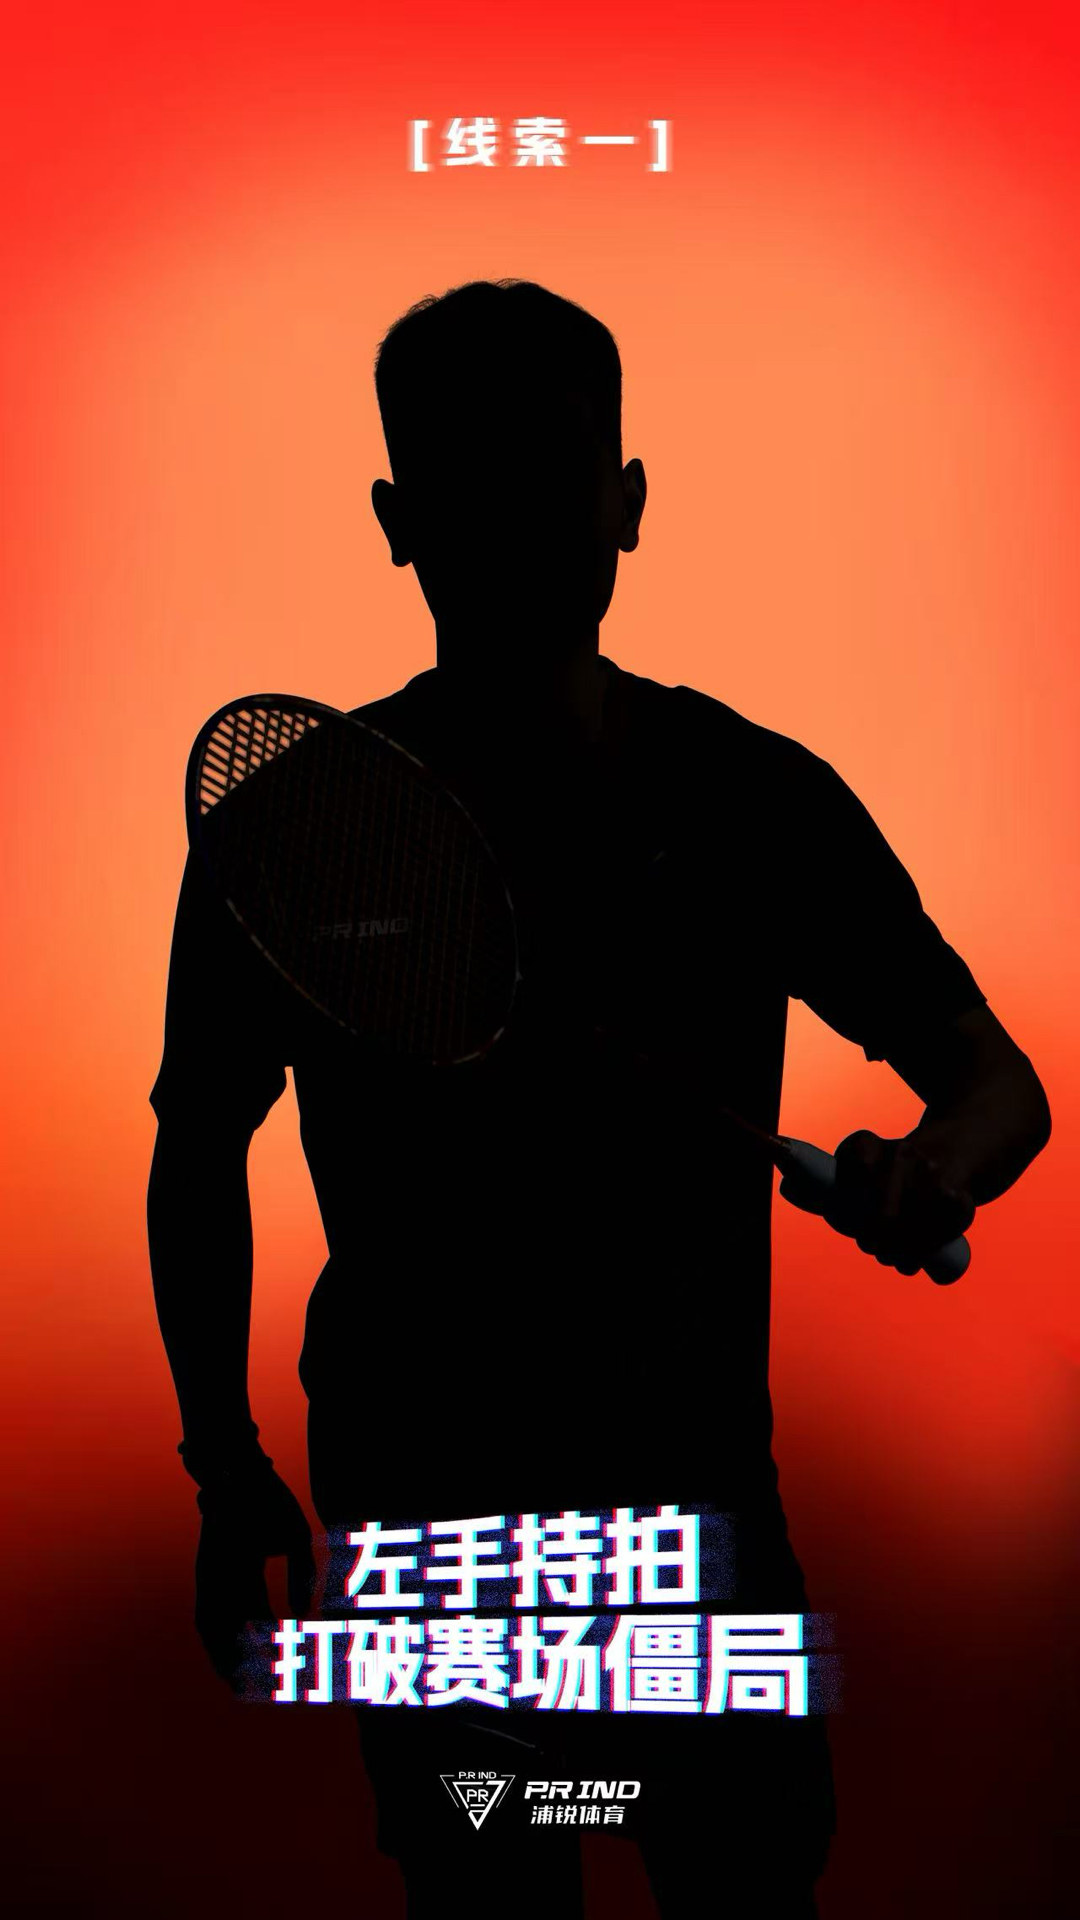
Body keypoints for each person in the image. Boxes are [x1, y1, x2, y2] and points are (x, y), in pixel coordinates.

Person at [148, 277, 1051, 1917]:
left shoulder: (752, 798)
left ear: (626, 502)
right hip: (435, 1529)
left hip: (695, 1510)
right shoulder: (295, 830)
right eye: (469, 483)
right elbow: (198, 1150)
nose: (517, 522)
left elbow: (996, 1086)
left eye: (553, 475)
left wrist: (936, 1170)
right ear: (398, 522)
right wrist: (224, 1464)